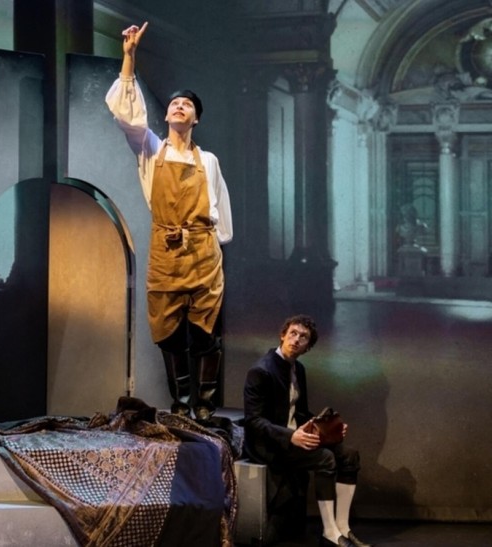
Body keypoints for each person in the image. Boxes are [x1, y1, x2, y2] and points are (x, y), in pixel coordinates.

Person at [106, 22, 233, 416]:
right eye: (174, 103)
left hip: (203, 254)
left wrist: (214, 245)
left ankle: (205, 405)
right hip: (166, 252)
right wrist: (129, 57)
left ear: (196, 119)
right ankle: (181, 403)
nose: (179, 106)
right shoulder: (150, 149)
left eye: (187, 105)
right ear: (166, 114)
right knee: (169, 333)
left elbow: (220, 210)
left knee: (205, 332)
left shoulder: (208, 160)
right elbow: (127, 117)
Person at [243, 315, 371, 547]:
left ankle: (343, 527)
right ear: (282, 335)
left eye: (303, 337)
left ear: (308, 347)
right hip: (270, 444)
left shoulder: (297, 369)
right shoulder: (261, 371)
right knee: (326, 459)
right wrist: (290, 436)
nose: (296, 340)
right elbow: (253, 421)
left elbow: (300, 412)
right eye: (292, 333)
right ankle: (329, 533)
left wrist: (330, 427)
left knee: (349, 455)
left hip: (297, 436)